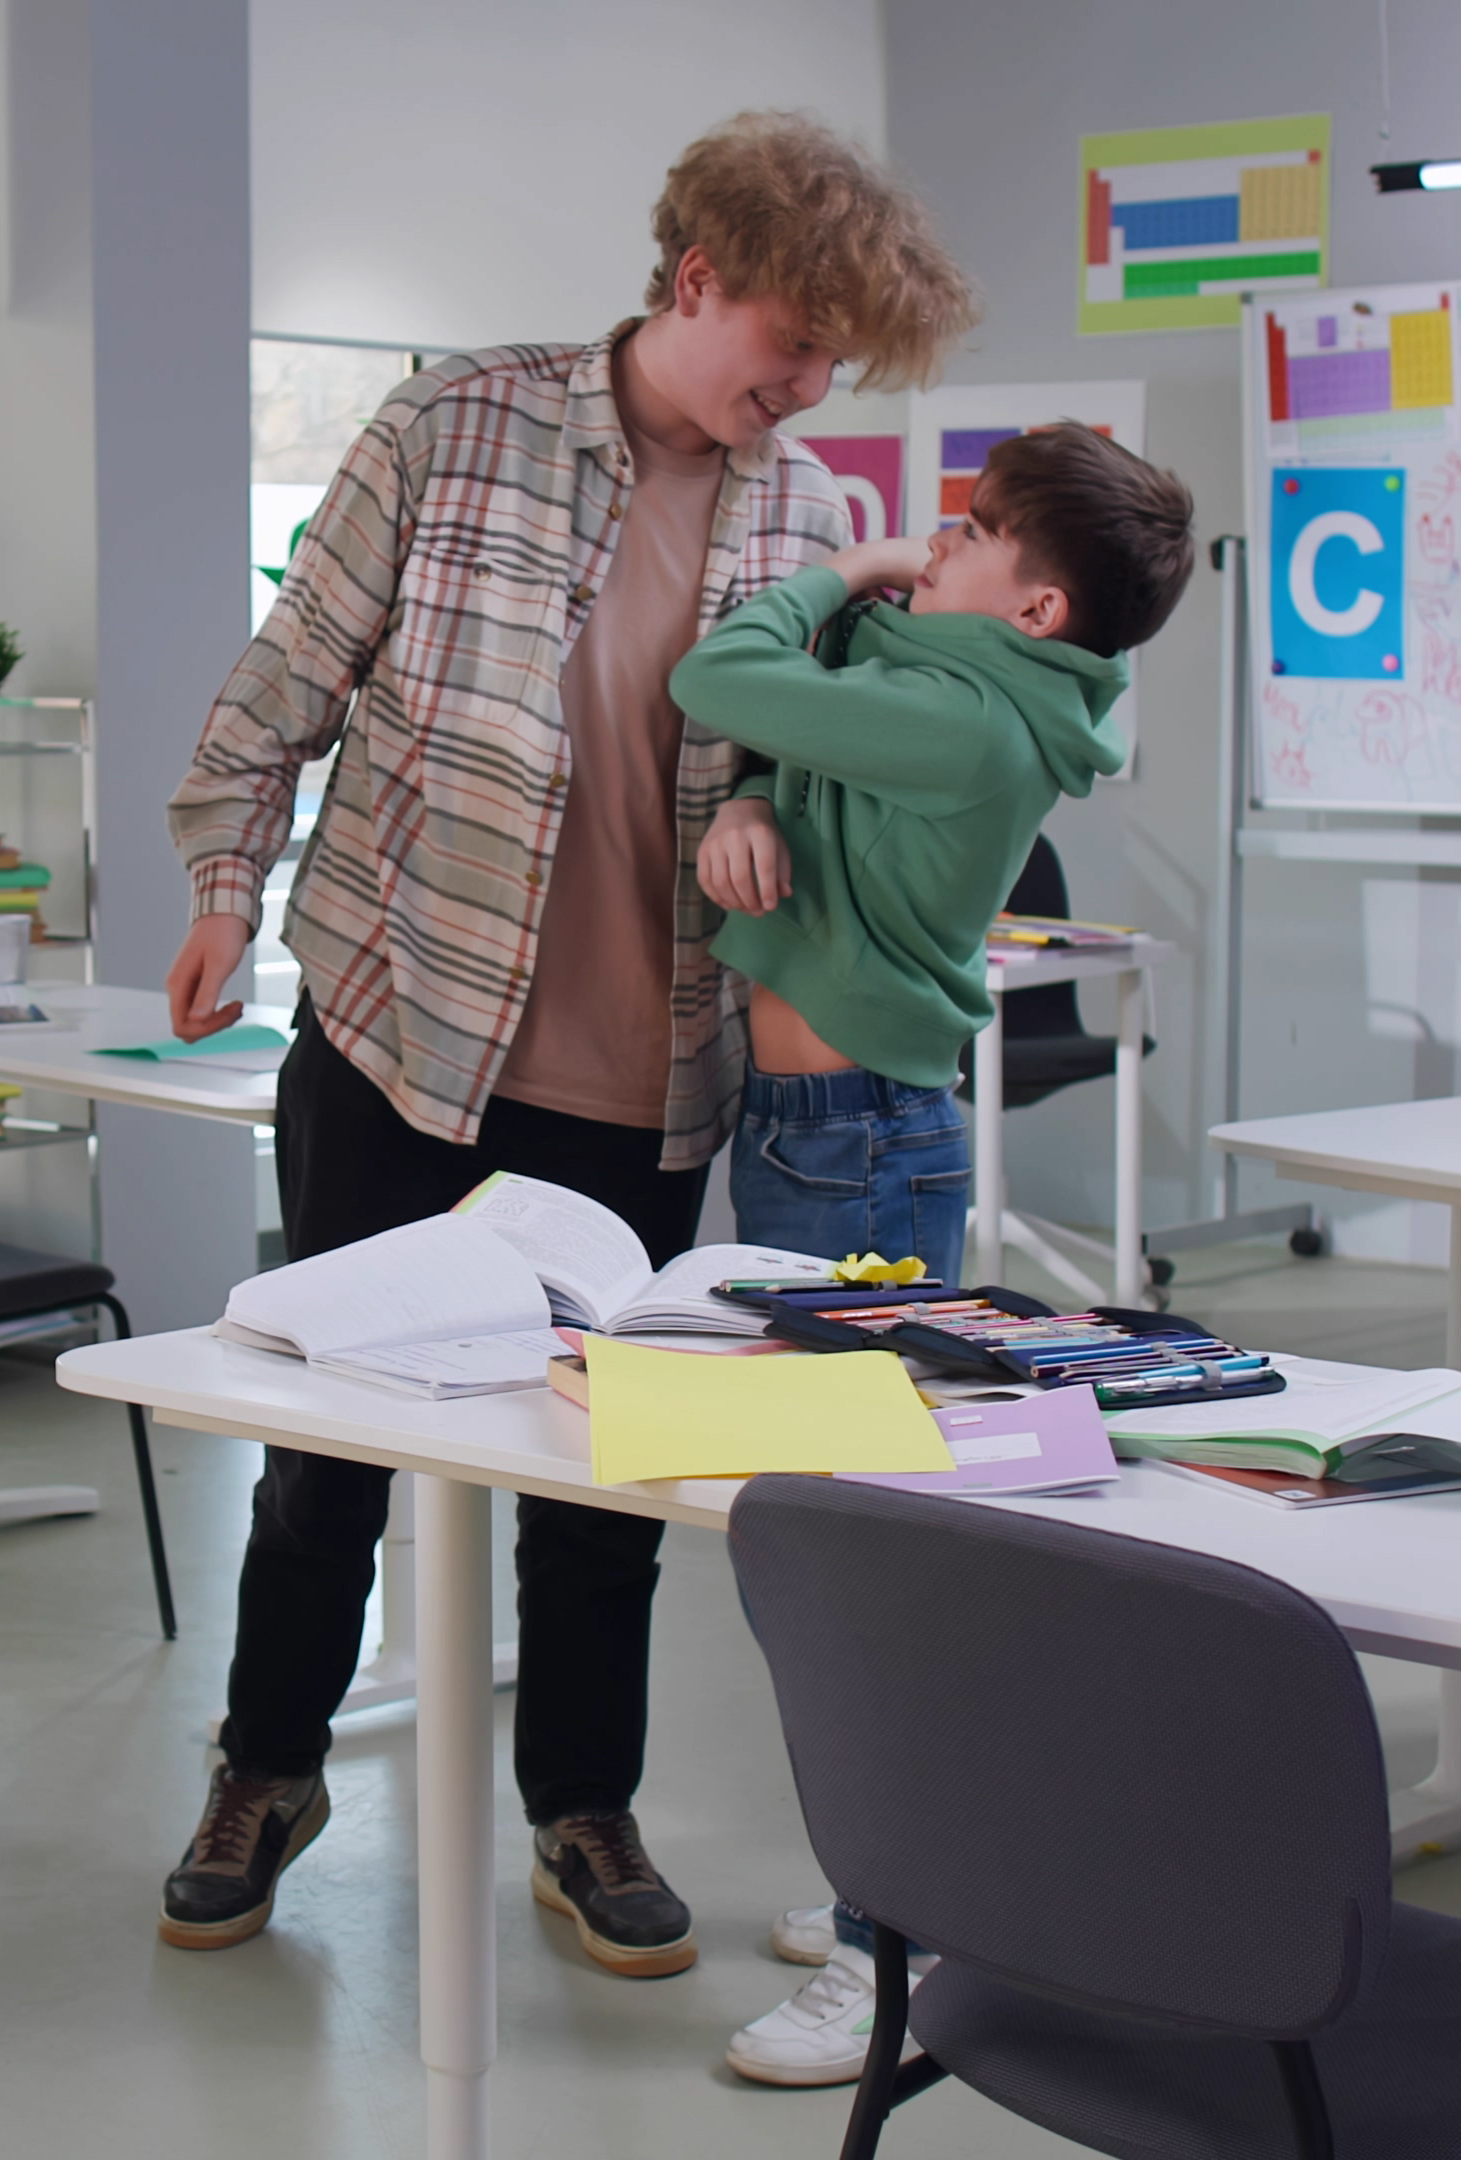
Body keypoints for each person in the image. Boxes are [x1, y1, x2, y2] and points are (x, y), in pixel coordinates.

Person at [156, 112, 977, 1978]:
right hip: (401, 1027)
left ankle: (581, 1808)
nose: (808, 387)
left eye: (836, 363)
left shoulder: (815, 515)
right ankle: (266, 1768)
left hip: (652, 1068)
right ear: (696, 281)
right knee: (327, 1452)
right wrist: (224, 881)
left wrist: (790, 801)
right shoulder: (459, 426)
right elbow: (287, 681)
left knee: (610, 1469)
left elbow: (800, 755)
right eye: (794, 343)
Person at [683, 420, 1197, 2083]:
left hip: (853, 1159)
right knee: (839, 1542)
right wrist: (759, 804)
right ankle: (881, 1899)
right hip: (821, 1137)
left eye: (968, 536)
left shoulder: (967, 723)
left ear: (1032, 609)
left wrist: (839, 567)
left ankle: (890, 1946)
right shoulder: (964, 699)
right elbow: (796, 720)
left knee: (872, 1570)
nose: (931, 547)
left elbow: (724, 668)